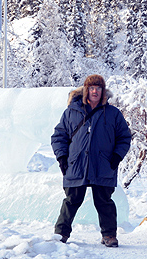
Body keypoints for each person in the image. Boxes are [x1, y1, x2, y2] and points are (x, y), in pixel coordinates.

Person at [51, 74, 131, 247]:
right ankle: (61, 234)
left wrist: (117, 156)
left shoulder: (113, 114)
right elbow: (59, 136)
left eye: (98, 88)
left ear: (103, 91)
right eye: (92, 88)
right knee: (71, 200)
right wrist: (62, 157)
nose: (95, 91)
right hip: (76, 164)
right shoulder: (71, 112)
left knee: (104, 202)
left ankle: (109, 235)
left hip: (103, 164)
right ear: (86, 90)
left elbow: (124, 137)